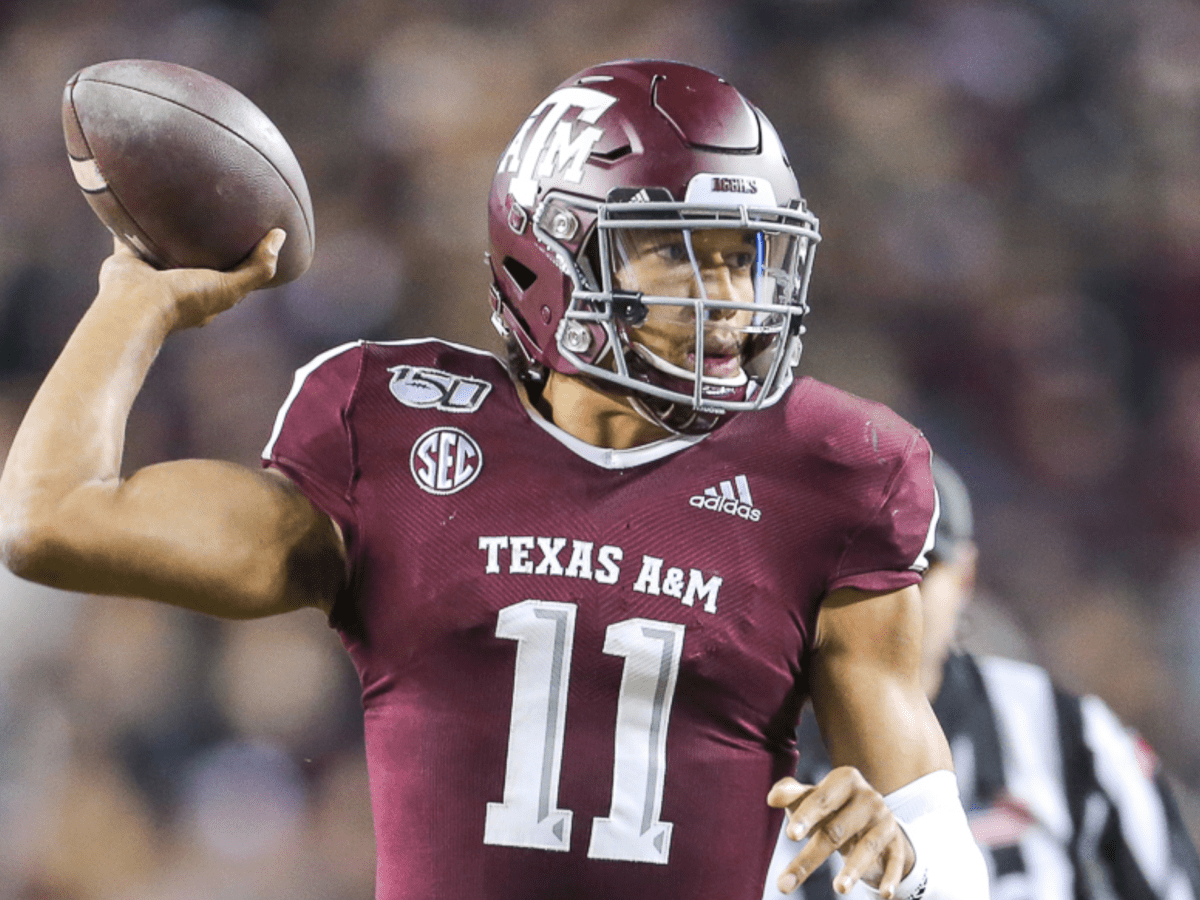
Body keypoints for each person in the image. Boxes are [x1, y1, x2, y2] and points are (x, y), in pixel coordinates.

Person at [0, 60, 987, 899]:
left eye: (745, 258)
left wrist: (904, 867)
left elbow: (937, 840)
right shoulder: (393, 425)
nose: (728, 302)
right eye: (680, 258)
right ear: (550, 252)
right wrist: (135, 298)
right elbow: (53, 520)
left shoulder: (833, 469)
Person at [763, 457, 1200, 900]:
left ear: (965, 578)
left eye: (921, 569)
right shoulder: (747, 744)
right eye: (859, 573)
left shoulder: (1070, 733)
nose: (890, 598)